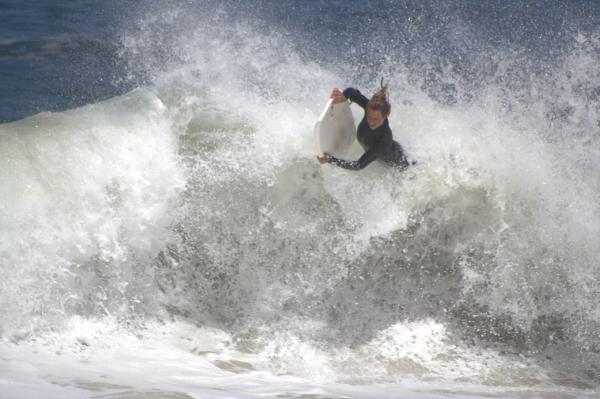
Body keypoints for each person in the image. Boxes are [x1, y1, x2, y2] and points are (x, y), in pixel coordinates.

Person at [317, 85, 410, 171]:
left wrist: (330, 160)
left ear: (386, 115)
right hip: (381, 157)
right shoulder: (369, 107)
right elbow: (351, 91)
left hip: (400, 163)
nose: (372, 122)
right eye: (369, 117)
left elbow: (358, 165)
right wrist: (343, 97)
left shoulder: (385, 139)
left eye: (376, 119)